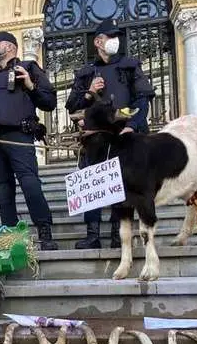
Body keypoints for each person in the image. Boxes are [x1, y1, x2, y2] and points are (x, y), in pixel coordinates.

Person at [65, 18, 156, 249]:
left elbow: (142, 100)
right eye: (110, 37)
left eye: (117, 37)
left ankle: (119, 235)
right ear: (98, 42)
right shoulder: (86, 72)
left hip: (125, 136)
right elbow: (71, 106)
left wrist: (132, 125)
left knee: (123, 187)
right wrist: (88, 92)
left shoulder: (130, 65)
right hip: (95, 139)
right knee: (92, 185)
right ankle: (92, 235)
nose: (115, 41)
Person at [0, 31, 59, 250]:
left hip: (19, 135)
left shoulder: (29, 67)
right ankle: (10, 236)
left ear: (11, 47)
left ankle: (45, 232)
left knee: (30, 183)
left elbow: (49, 102)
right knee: (3, 188)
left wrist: (31, 85)